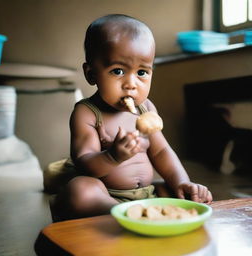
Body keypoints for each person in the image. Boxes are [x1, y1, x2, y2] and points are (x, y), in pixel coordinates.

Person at [52, 14, 212, 221]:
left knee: (179, 193)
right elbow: (84, 163)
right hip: (107, 195)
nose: (131, 84)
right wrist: (112, 156)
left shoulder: (145, 108)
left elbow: (162, 151)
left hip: (146, 193)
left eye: (142, 73)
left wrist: (182, 182)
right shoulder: (88, 112)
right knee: (80, 190)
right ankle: (118, 213)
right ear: (91, 74)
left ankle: (140, 212)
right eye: (118, 71)